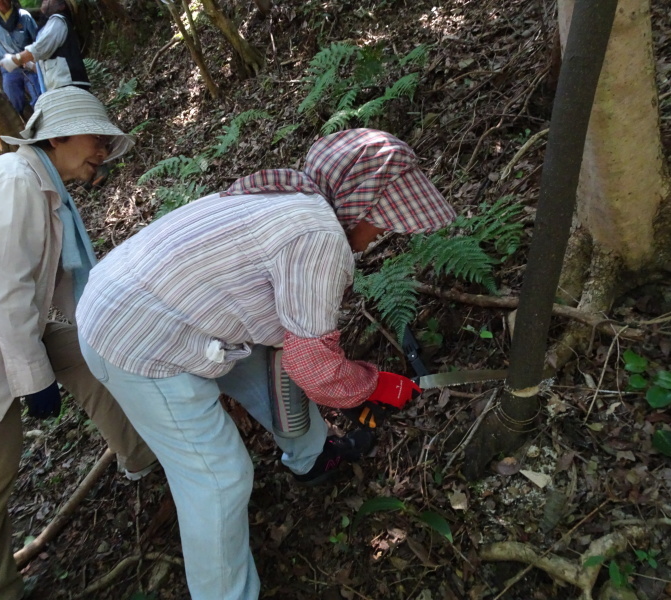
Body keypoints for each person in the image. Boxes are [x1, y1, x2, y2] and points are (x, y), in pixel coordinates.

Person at [75, 128, 457, 599]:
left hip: (150, 303)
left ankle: (311, 457)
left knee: (269, 369)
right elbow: (315, 367)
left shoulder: (290, 193)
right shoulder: (318, 236)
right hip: (135, 338)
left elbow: (291, 347)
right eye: (382, 221)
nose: (382, 234)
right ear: (359, 205)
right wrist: (371, 385)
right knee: (218, 478)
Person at [0, 87, 157, 600]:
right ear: (58, 136)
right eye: (98, 140)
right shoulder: (16, 183)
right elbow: (8, 289)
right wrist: (35, 378)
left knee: (88, 354)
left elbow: (51, 286)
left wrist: (100, 330)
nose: (104, 154)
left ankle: (144, 456)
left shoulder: (47, 192)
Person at [0, 0, 89, 92]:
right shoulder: (51, 24)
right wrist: (30, 65)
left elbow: (39, 49)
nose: (44, 1)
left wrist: (15, 59)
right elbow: (46, 64)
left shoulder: (57, 20)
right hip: (63, 87)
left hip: (70, 87)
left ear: (62, 6)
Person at [0, 0, 41, 115]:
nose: (0, 2)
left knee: (39, 99)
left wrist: (35, 62)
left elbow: (38, 42)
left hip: (29, 67)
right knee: (13, 103)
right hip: (8, 69)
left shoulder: (24, 16)